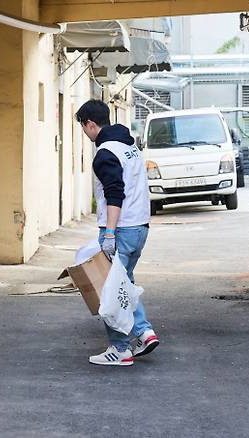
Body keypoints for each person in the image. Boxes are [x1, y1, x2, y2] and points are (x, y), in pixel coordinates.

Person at [75, 99, 159, 366]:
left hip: (120, 230)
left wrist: (109, 233)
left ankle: (123, 347)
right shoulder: (129, 145)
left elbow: (114, 194)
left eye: (83, 128)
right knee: (124, 285)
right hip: (140, 228)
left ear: (91, 124)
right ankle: (141, 334)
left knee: (110, 291)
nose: (84, 134)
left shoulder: (105, 153)